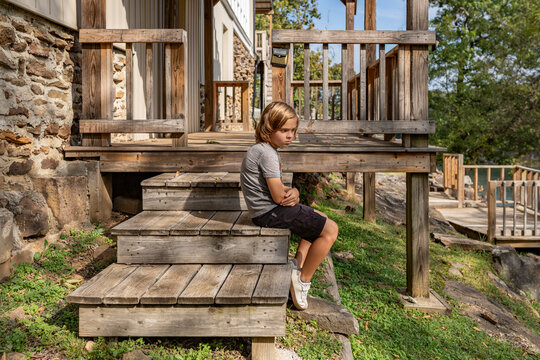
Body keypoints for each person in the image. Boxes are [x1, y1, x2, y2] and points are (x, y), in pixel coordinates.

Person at [240, 101, 338, 310]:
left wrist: (294, 191)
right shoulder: (267, 153)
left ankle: (297, 267)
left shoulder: (263, 150)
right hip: (268, 213)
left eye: (293, 130)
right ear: (268, 129)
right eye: (284, 130)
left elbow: (277, 188)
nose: (290, 135)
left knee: (317, 216)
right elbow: (277, 197)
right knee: (330, 230)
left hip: (266, 210)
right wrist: (289, 194)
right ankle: (303, 281)